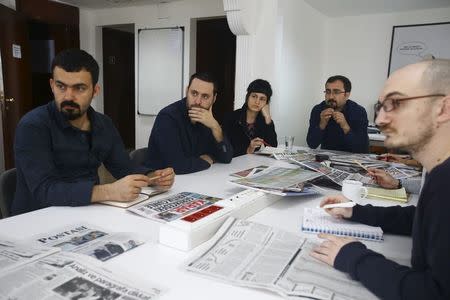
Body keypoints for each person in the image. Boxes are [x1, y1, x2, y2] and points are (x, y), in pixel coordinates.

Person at [311, 59, 450, 299]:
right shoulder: (437, 174)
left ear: (443, 109)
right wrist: (355, 211)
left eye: (396, 103)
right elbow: (420, 219)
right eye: (381, 106)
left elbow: (435, 293)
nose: (381, 120)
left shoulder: (445, 183)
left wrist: (353, 256)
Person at [12, 49, 175, 216]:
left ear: (95, 91)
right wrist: (109, 191)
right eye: (61, 86)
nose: (68, 96)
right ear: (52, 85)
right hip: (37, 219)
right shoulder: (33, 126)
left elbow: (124, 167)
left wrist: (153, 177)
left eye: (79, 88)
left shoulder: (103, 124)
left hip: (87, 212)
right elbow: (44, 191)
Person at [145, 72, 233, 174]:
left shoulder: (207, 118)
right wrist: (206, 160)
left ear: (214, 99)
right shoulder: (168, 117)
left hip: (193, 178)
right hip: (162, 183)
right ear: (187, 91)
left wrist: (215, 126)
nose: (197, 101)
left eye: (205, 96)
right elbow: (177, 166)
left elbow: (226, 157)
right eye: (194, 93)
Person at [306, 75, 369, 153]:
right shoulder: (318, 110)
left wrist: (345, 126)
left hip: (352, 159)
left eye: (336, 92)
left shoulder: (359, 112)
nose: (331, 96)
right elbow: (312, 144)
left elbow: (361, 149)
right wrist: (322, 124)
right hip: (326, 159)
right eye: (328, 92)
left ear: (346, 95)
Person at [223, 79, 277, 156]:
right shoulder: (231, 117)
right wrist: (248, 149)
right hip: (233, 164)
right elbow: (225, 149)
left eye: (262, 99)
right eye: (254, 96)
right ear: (247, 97)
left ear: (266, 103)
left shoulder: (264, 120)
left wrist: (268, 118)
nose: (257, 102)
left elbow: (273, 148)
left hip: (252, 163)